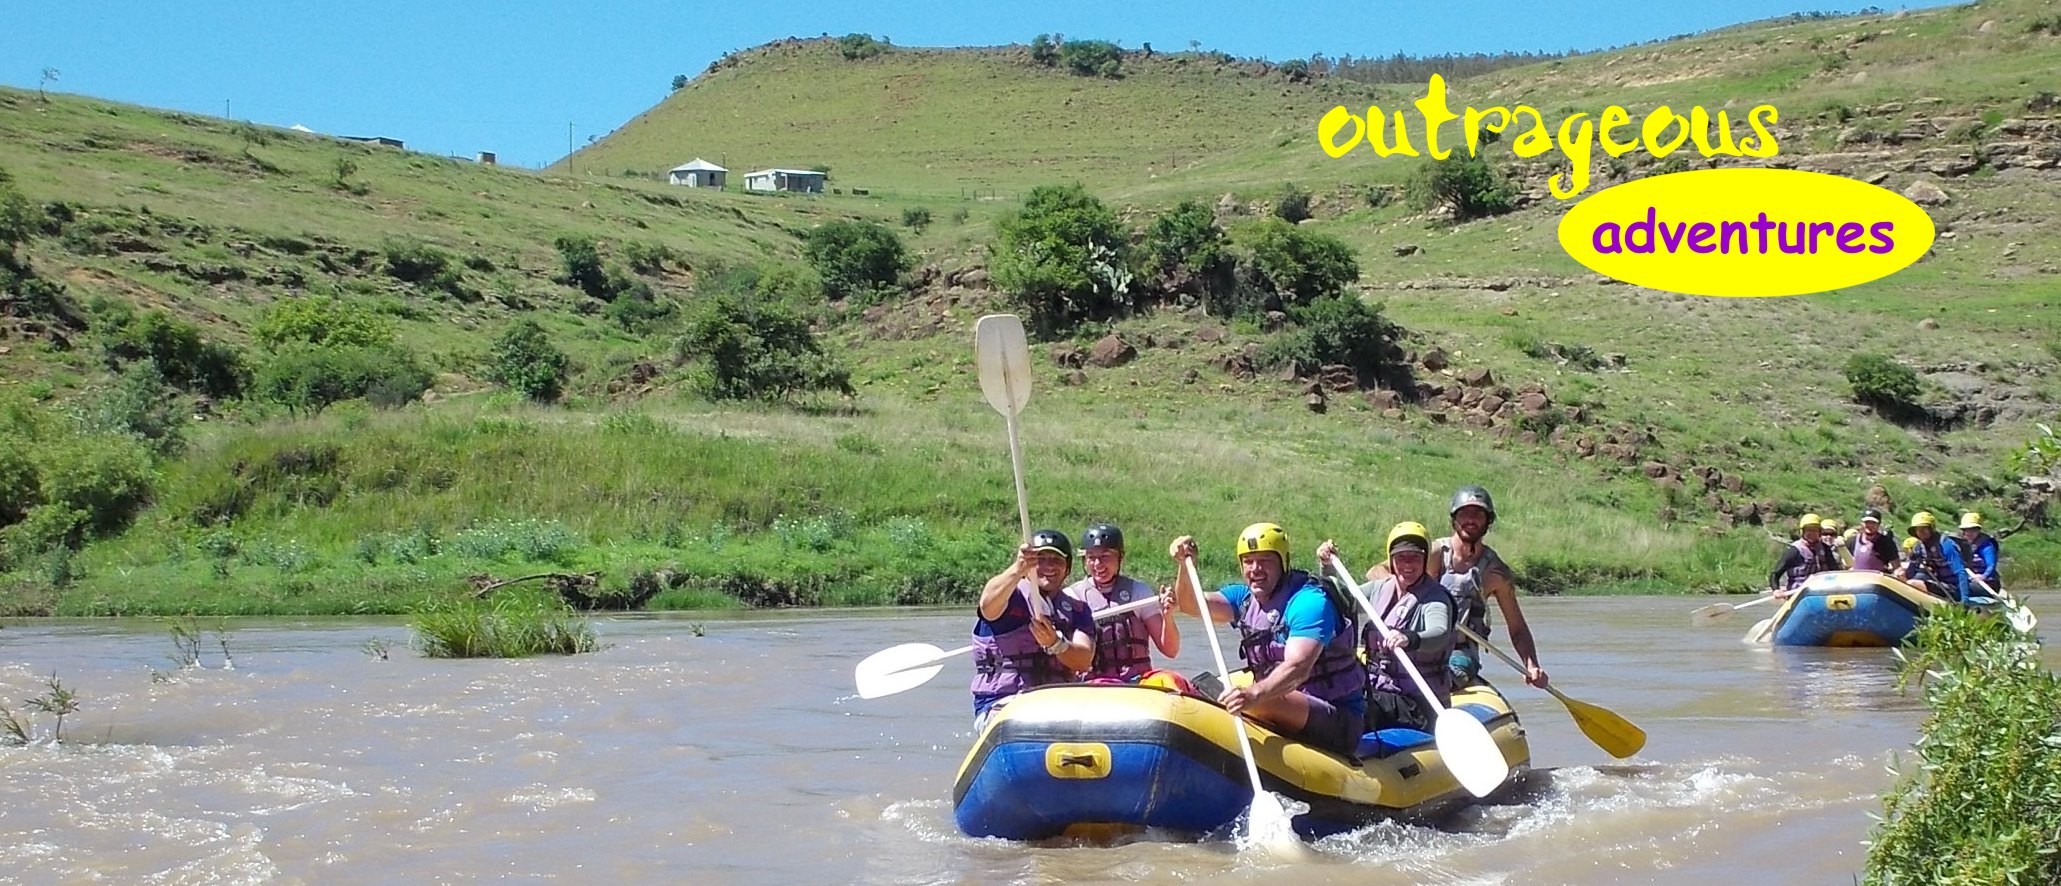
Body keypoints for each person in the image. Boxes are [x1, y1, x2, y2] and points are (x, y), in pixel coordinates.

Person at [1169, 522, 1367, 756]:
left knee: (1258, 700)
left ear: (1283, 563)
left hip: (1336, 717)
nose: (1255, 569)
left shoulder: (1310, 603)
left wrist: (1252, 695)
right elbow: (1191, 605)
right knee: (1201, 686)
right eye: (1248, 561)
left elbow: (1298, 668)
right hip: (1280, 704)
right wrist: (1184, 564)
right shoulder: (1242, 599)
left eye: (1265, 561)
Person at [1400, 486, 1551, 689]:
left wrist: (1532, 665)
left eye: (1478, 514)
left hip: (1460, 652)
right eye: (1464, 514)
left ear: (1488, 521)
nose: (1470, 520)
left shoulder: (1496, 573)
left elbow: (1517, 628)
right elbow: (1378, 572)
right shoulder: (1433, 553)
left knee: (1452, 672)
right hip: (1417, 641)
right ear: (1454, 519)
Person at [1322, 522, 1454, 733]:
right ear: (1391, 560)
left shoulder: (1435, 598)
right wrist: (1328, 566)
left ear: (1425, 560)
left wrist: (1409, 638)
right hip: (1378, 691)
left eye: (1415, 558)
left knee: (1351, 713)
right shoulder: (1379, 589)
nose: (1408, 565)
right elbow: (1339, 599)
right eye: (1401, 558)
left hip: (1418, 704)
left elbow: (1439, 633)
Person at [971, 529, 1097, 730]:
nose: (1049, 566)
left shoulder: (1077, 610)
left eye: (1056, 560)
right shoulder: (1010, 596)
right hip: (1003, 703)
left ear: (1068, 568)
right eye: (1041, 559)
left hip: (1057, 704)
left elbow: (1083, 660)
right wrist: (1017, 569)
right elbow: (987, 605)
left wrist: (1056, 644)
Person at [1064, 523, 1180, 682]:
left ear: (1120, 557)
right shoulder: (1072, 596)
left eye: (1105, 556)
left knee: (1171, 680)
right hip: (1092, 685)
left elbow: (1170, 650)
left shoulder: (1139, 592)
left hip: (1136, 682)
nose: (1098, 564)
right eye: (1091, 557)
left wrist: (1168, 615)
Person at [1900, 511, 1966, 600]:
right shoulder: (1919, 547)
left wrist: (1964, 599)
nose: (1921, 532)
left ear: (1931, 529)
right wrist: (1913, 561)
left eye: (1924, 528)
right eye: (1918, 529)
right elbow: (1910, 574)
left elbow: (1960, 572)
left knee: (1913, 583)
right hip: (1938, 582)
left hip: (1953, 587)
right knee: (1905, 578)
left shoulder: (1946, 545)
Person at [1769, 513, 1833, 597]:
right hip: (1799, 594)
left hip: (1821, 593)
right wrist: (1776, 590)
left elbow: (1835, 570)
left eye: (1815, 530)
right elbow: (1775, 574)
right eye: (1809, 530)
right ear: (1802, 532)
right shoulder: (1795, 550)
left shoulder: (1825, 549)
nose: (1812, 533)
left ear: (1819, 532)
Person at [1950, 512, 2002, 599]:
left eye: (1973, 530)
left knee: (1957, 590)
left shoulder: (1987, 546)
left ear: (1978, 530)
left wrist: (1983, 576)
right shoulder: (1961, 545)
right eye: (1966, 530)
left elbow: (1991, 565)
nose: (1969, 533)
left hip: (1988, 584)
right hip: (1968, 581)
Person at [1844, 508, 1900, 574]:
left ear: (1878, 524)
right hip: (1857, 579)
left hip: (1877, 580)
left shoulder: (1886, 543)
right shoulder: (1852, 541)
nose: (1870, 525)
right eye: (1867, 522)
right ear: (1862, 523)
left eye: (1873, 523)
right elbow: (1845, 564)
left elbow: (1896, 567)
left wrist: (1899, 573)